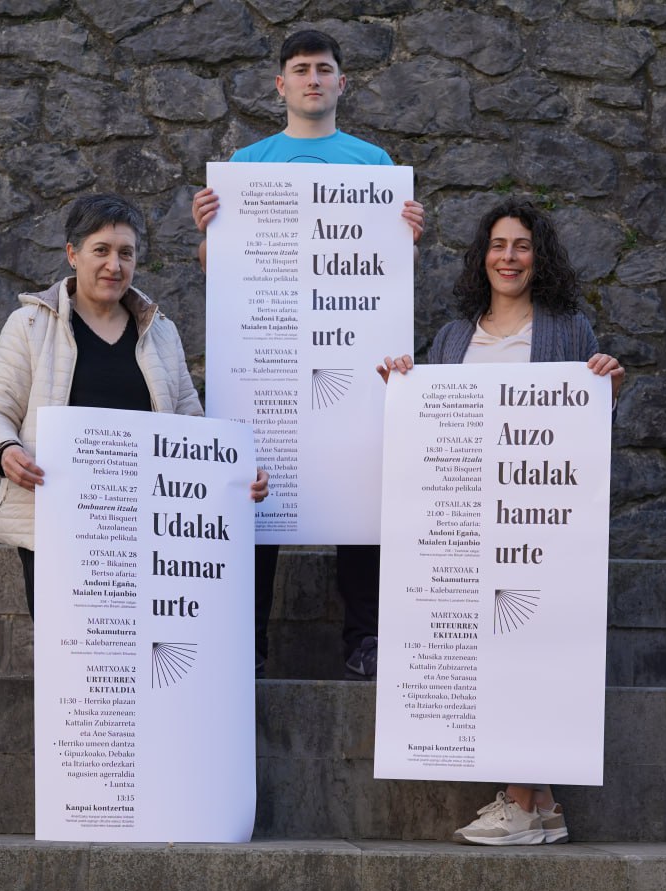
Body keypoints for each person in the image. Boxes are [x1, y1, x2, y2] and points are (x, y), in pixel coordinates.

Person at [378, 198, 624, 846]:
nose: (508, 257)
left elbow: (587, 436)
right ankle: (543, 805)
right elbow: (432, 429)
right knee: (492, 655)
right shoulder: (452, 338)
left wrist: (607, 392)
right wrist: (402, 389)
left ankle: (517, 803)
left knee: (526, 653)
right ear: (481, 256)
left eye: (521, 245)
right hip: (468, 521)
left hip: (535, 522)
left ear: (538, 257)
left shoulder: (568, 330)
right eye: (497, 245)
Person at [191, 28, 424, 680]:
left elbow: (392, 275)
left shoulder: (375, 164)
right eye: (300, 69)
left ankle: (365, 638)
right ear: (281, 85)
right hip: (268, 355)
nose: (313, 79)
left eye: (323, 69)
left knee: (360, 487)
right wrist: (207, 233)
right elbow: (218, 270)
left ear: (341, 82)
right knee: (254, 490)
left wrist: (407, 240)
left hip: (351, 354)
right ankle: (247, 644)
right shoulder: (246, 163)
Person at [0, 192, 268, 617]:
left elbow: (192, 427)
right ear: (72, 254)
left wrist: (235, 475)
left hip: (149, 530)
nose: (114, 265)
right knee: (72, 647)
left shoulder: (162, 333)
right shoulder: (29, 325)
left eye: (125, 253)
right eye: (101, 250)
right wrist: (6, 451)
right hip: (56, 526)